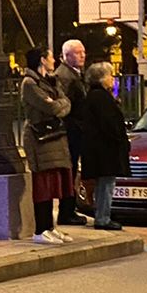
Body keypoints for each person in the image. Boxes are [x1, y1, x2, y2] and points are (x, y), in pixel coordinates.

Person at [20, 47, 76, 245]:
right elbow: (50, 107)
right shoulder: (29, 83)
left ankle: (50, 227)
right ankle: (40, 229)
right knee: (43, 185)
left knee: (53, 184)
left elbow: (66, 103)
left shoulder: (50, 81)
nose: (54, 60)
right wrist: (58, 104)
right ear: (42, 60)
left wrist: (59, 104)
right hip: (40, 139)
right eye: (51, 57)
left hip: (54, 137)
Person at [79, 61, 132, 230]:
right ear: (101, 78)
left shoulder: (96, 96)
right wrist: (119, 139)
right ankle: (103, 218)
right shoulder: (100, 98)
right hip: (104, 150)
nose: (113, 79)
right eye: (110, 76)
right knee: (106, 185)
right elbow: (109, 124)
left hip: (100, 150)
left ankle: (102, 216)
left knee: (104, 184)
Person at [55, 38, 91, 224]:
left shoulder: (74, 74)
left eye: (83, 51)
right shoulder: (65, 76)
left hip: (75, 130)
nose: (83, 55)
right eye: (78, 53)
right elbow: (65, 106)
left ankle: (70, 209)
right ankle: (67, 211)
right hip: (71, 131)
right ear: (67, 56)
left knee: (72, 169)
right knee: (69, 170)